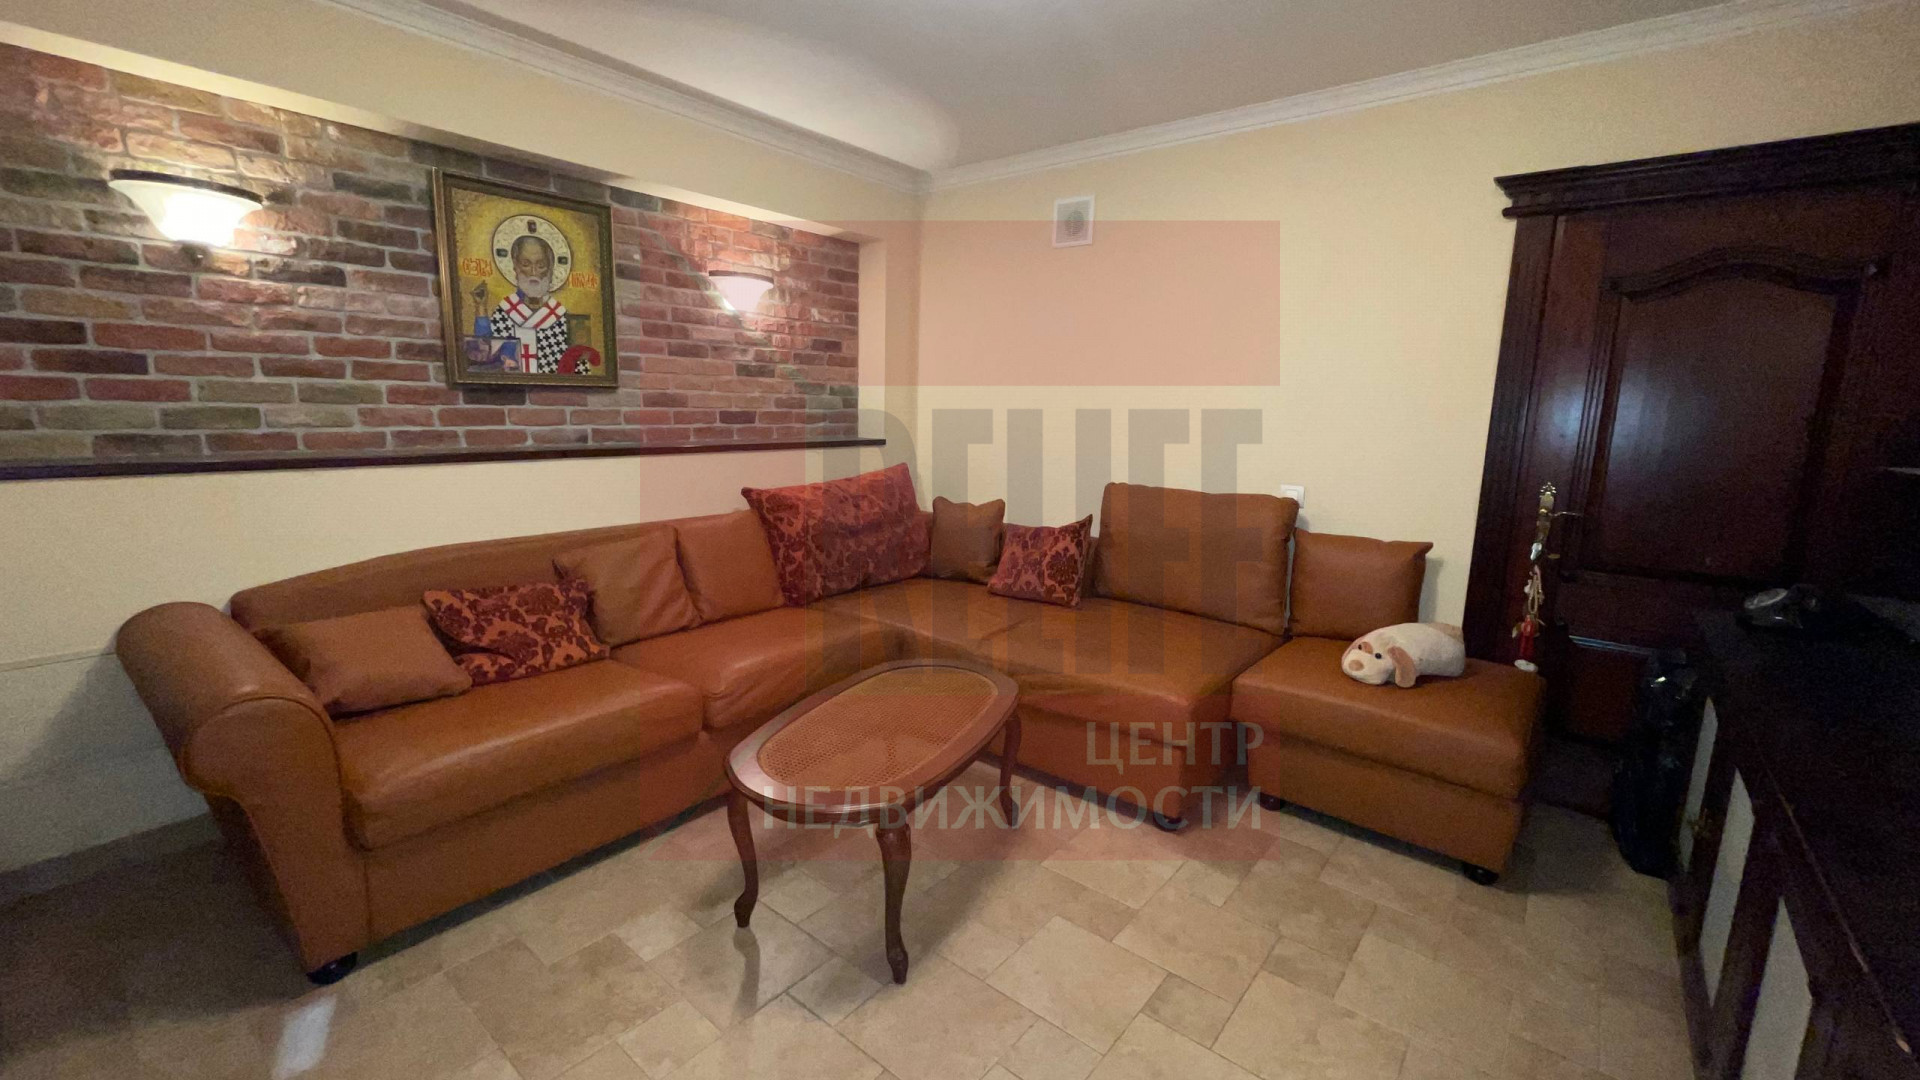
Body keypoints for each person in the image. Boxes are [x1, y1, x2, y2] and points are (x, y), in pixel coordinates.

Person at [487, 228, 570, 374]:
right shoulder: (504, 312)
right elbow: (488, 355)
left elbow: (572, 362)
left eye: (541, 266)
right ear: (515, 266)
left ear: (550, 268)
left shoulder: (559, 316)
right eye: (526, 264)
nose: (533, 272)